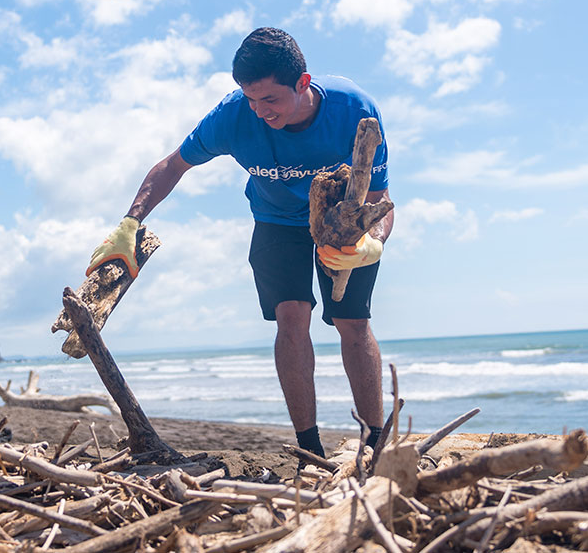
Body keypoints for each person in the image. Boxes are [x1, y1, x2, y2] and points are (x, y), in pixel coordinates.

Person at [87, 28, 394, 457]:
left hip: (344, 221)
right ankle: (310, 451)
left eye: (270, 99)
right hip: (276, 221)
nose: (260, 111)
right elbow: (173, 165)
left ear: (302, 83)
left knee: (352, 322)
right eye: (251, 99)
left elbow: (380, 198)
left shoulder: (354, 110)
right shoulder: (233, 116)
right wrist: (129, 223)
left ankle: (376, 443)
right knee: (291, 318)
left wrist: (372, 242)